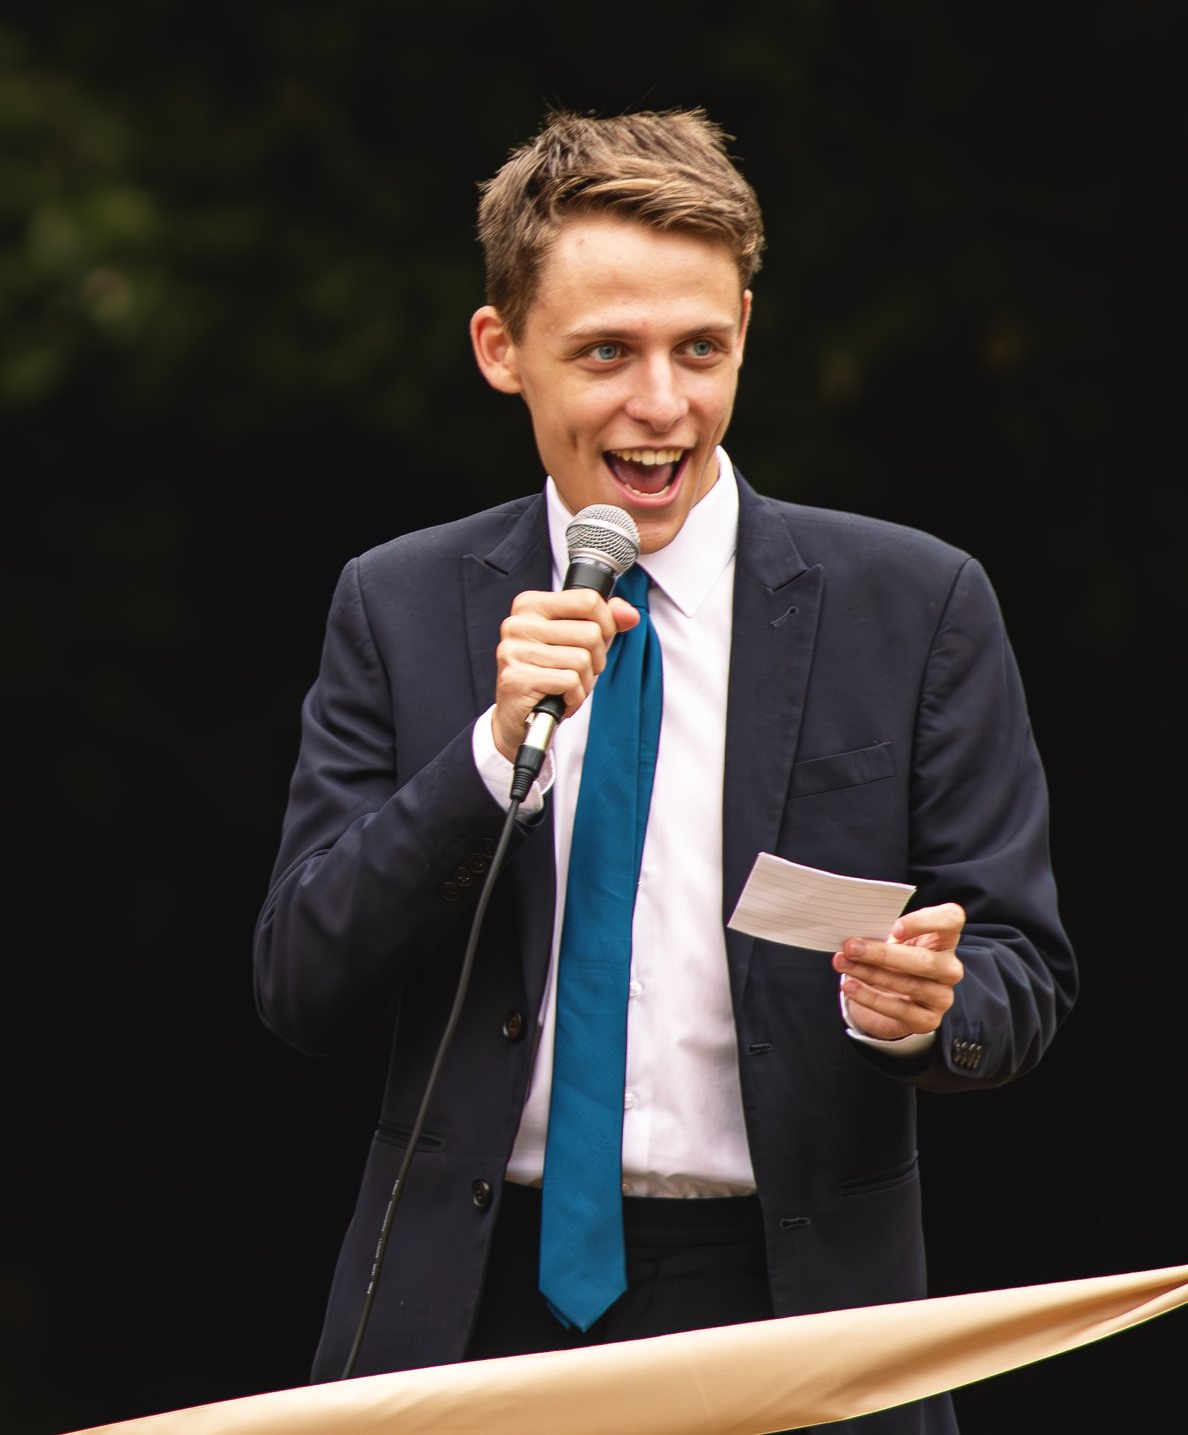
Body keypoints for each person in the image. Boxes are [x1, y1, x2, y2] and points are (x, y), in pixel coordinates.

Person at [253, 111, 1074, 1435]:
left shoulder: (919, 603)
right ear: (500, 351)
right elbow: (301, 978)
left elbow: (1023, 969)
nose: (662, 403)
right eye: (606, 353)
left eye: (701, 347)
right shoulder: (395, 606)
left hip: (796, 1310)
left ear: (746, 327)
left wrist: (928, 1004)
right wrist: (485, 750)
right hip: (474, 1312)